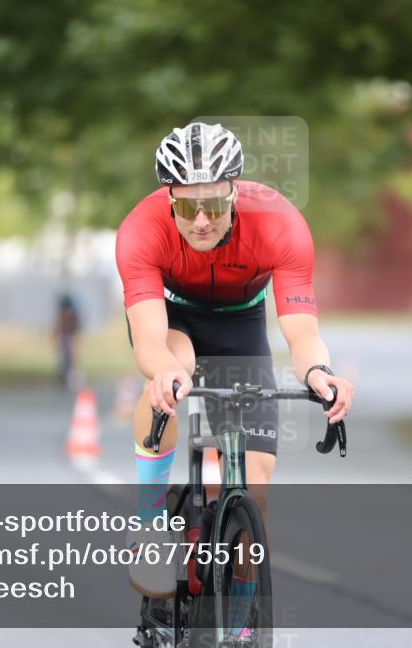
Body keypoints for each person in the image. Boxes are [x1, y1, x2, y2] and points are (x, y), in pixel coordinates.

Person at [115, 122, 354, 612]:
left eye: (215, 205)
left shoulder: (280, 224)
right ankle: (151, 523)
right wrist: (166, 375)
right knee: (171, 369)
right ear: (168, 198)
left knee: (255, 486)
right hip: (173, 321)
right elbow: (149, 342)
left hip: (241, 325)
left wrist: (319, 374)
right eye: (185, 206)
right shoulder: (141, 229)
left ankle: (241, 621)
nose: (201, 220)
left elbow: (302, 333)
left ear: (234, 194)